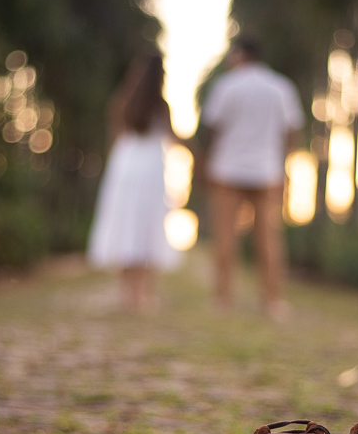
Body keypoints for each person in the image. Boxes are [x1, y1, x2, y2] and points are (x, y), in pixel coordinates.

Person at [199, 36, 305, 319]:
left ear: (239, 55)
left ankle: (223, 297)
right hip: (267, 170)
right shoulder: (281, 86)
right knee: (269, 238)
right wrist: (284, 164)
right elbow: (292, 131)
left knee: (225, 236)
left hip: (227, 170)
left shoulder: (226, 86)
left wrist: (205, 164)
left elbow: (212, 129)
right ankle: (272, 301)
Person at [87, 53, 181, 312]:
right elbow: (174, 138)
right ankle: (143, 295)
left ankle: (126, 294)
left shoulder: (123, 101)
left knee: (126, 225)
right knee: (147, 226)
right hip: (150, 168)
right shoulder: (161, 106)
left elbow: (115, 136)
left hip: (125, 165)